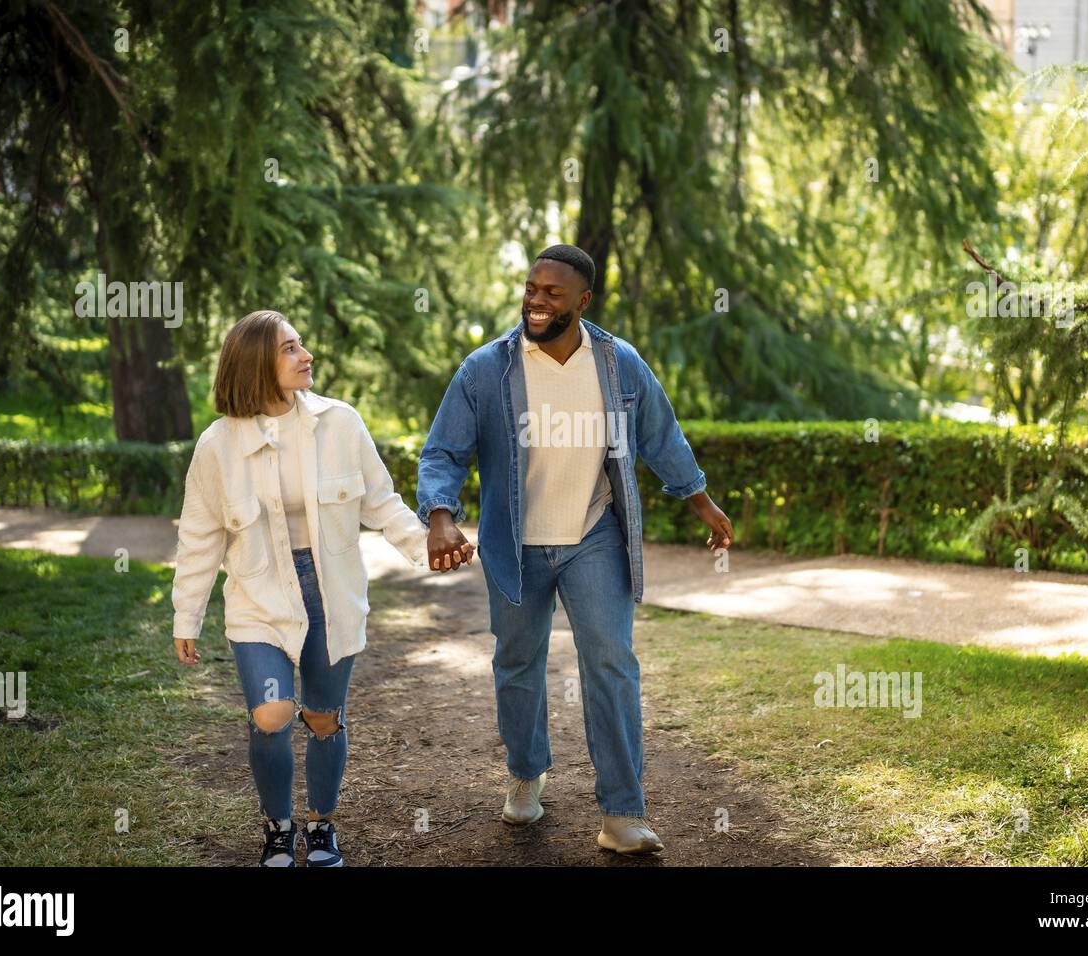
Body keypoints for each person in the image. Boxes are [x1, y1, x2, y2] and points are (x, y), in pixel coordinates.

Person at [417, 243, 734, 854]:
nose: (536, 301)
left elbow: (660, 435)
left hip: (594, 536)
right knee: (517, 664)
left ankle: (622, 812)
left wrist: (700, 500)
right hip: (516, 545)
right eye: (531, 289)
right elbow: (443, 452)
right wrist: (440, 514)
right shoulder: (487, 369)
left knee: (612, 662)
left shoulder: (617, 364)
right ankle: (526, 772)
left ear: (583, 301)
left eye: (551, 293)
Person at [171, 309, 427, 866]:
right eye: (290, 348)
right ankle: (278, 826)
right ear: (257, 363)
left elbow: (380, 501)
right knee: (272, 714)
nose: (306, 355)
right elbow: (199, 534)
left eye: (301, 344)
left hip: (329, 592)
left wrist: (425, 547)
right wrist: (186, 615)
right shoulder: (217, 446)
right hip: (259, 596)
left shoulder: (339, 423)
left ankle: (320, 826)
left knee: (322, 718)